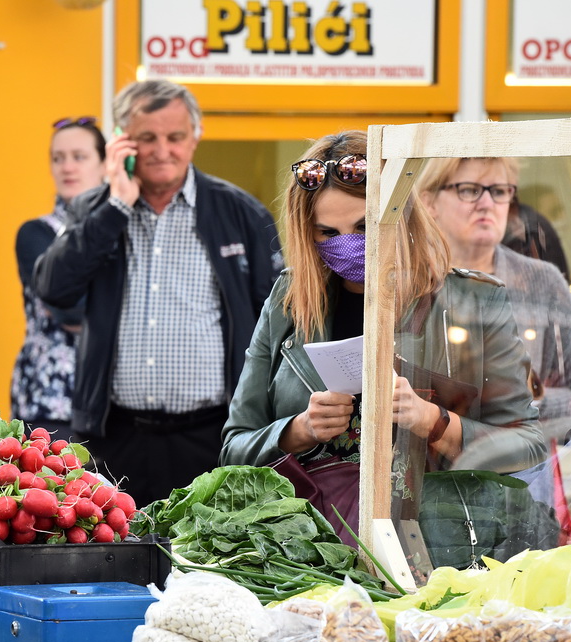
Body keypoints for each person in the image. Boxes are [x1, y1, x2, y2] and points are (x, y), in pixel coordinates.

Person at [220, 131, 552, 567]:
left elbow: (529, 443)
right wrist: (300, 429)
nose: (349, 244)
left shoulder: (472, 302)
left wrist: (433, 421)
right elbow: (234, 446)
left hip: (441, 552)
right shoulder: (290, 302)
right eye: (326, 232)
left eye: (363, 227)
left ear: (401, 218)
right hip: (304, 553)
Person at [33, 79, 283, 507]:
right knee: (111, 554)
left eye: (175, 137)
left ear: (195, 137)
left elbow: (276, 319)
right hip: (115, 437)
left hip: (212, 435)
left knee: (202, 561)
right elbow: (53, 288)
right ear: (122, 143)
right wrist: (115, 207)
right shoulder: (95, 208)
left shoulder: (241, 212)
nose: (162, 149)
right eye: (147, 138)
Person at [415, 157, 571, 444]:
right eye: (469, 189)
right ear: (429, 203)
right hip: (425, 475)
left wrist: (530, 398)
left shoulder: (543, 281)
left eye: (499, 191)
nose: (487, 203)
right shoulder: (405, 280)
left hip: (521, 477)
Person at [11, 117, 106, 438]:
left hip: (114, 402)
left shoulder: (126, 231)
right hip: (51, 401)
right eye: (58, 158)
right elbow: (70, 309)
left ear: (105, 164)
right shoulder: (37, 234)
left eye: (79, 157)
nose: (68, 167)